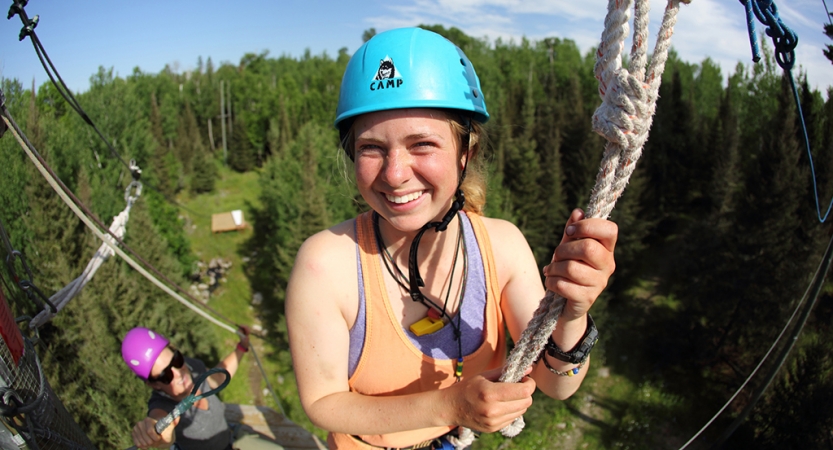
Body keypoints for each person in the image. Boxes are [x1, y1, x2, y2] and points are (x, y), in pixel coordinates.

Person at [285, 27, 618, 450]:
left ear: (466, 153)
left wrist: (573, 314)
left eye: (422, 144)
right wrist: (450, 407)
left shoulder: (502, 247)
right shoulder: (326, 264)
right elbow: (322, 402)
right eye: (371, 148)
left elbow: (556, 386)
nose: (394, 173)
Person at [122, 326, 284, 450]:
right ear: (153, 384)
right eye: (166, 375)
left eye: (176, 360)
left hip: (231, 438)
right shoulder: (163, 406)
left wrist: (241, 347)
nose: (179, 373)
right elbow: (159, 423)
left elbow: (217, 378)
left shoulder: (192, 368)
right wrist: (153, 431)